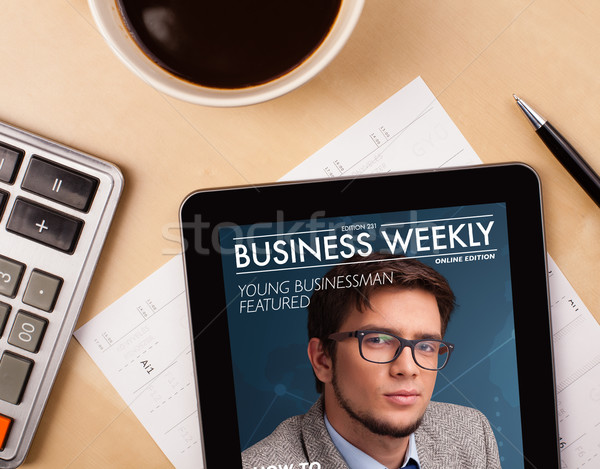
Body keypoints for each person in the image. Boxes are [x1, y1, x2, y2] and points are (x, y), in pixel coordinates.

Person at [242, 253, 501, 469]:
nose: (408, 369)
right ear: (323, 360)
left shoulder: (472, 433)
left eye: (425, 346)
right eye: (377, 340)